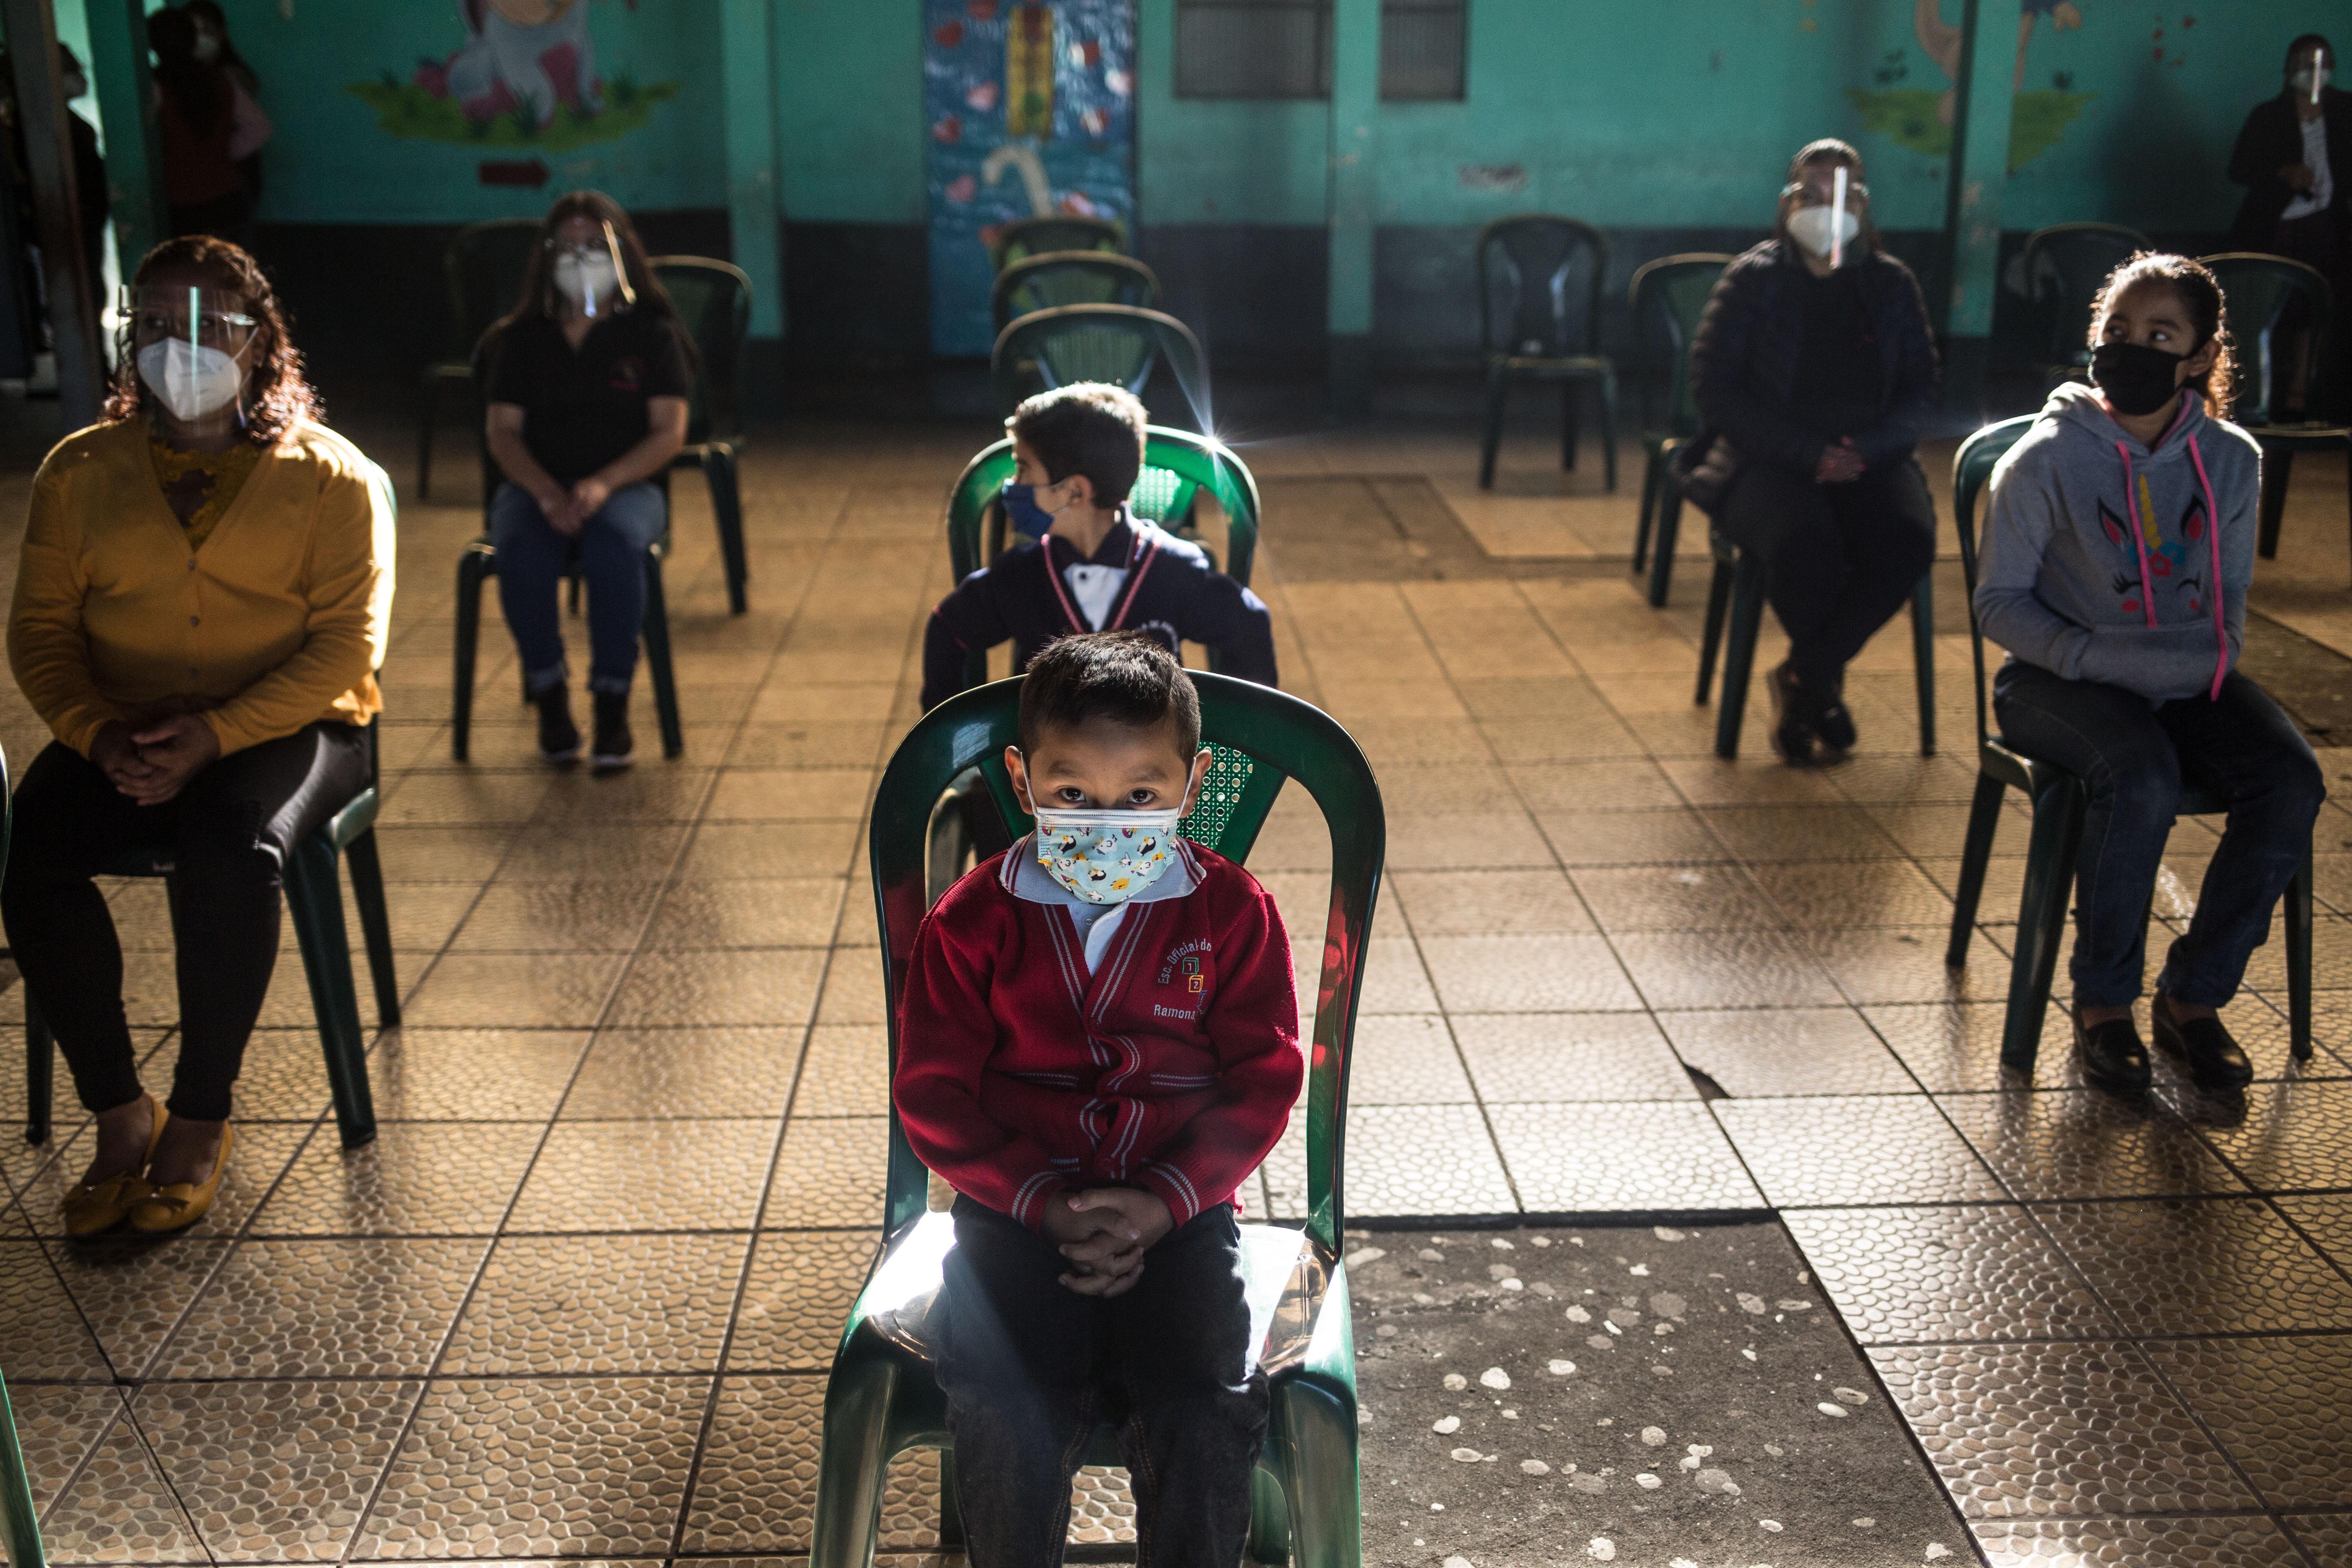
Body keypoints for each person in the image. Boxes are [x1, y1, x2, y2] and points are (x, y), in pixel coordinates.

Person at [3, 234, 395, 1234]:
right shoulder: (79, 472)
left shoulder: (332, 479)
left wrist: (216, 735)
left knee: (230, 842)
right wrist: (95, 735)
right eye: (154, 319)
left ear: (260, 342)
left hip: (294, 725)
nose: (179, 342)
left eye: (208, 322)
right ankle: (119, 1108)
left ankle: (200, 1114)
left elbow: (345, 647)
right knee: (29, 849)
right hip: (121, 727)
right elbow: (41, 634)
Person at [894, 631, 1303, 1568]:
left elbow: (1262, 1079)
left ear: (1190, 785)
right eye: (1072, 794)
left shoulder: (1231, 914)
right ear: (1020, 775)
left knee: (1203, 1401)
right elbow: (933, 1092)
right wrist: (1041, 1199)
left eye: (1141, 796)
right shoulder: (971, 922)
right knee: (1001, 1398)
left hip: (1183, 1216)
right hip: (1012, 1214)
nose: (1106, 821)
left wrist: (1164, 1199)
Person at [1975, 252, 2326, 1097]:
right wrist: (2095, 656)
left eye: (2160, 336)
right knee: (2142, 778)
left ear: (2201, 356)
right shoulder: (2044, 459)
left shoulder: (2232, 460)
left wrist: (2212, 655)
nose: (2132, 349)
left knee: (2290, 780)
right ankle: (2103, 1004)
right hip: (2054, 681)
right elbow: (1998, 606)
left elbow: (2231, 594)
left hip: (2183, 677)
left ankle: (2192, 999)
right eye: (2117, 333)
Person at [1685, 138, 1941, 764]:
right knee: (1807, 548)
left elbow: (1922, 388)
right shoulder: (1752, 280)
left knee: (1908, 537)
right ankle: (1819, 691)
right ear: (1787, 202)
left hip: (1870, 457)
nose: (1825, 207)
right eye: (1810, 194)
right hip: (1768, 459)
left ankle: (1804, 677)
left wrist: (1871, 448)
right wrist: (1808, 454)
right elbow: (1715, 389)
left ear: (1863, 204)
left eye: (1840, 194)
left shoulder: (1890, 284)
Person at [481, 189, 691, 772]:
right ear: (546, 258)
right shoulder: (521, 339)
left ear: (623, 253)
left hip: (627, 488)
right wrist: (547, 491)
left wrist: (602, 484)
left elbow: (668, 432)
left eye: (595, 246)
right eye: (568, 246)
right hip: (536, 488)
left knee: (616, 547)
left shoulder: (650, 334)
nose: (581, 258)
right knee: (522, 548)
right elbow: (503, 433)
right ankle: (548, 691)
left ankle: (611, 700)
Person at [920, 382, 1276, 715]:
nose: (1014, 485)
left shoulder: (1173, 569)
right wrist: (965, 746)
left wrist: (1233, 741)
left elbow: (1248, 625)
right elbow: (948, 627)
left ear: (1075, 491)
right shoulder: (1020, 576)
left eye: (1023, 468)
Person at [2227, 33, 2349, 418]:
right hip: (2274, 226)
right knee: (2269, 304)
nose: (2315, 72)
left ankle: (2301, 389)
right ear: (2289, 69)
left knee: (2318, 302)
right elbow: (2239, 169)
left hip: (2329, 223)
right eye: (2305, 64)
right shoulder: (2268, 115)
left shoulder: (2346, 111)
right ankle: (2256, 392)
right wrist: (2282, 173)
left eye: (2322, 63)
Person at [146, 7, 270, 243]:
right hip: (227, 197)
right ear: (193, 39)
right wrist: (219, 156)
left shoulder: (153, 87)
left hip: (180, 203)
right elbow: (260, 128)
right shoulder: (220, 80)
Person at [183, 1, 266, 205]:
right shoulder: (183, 78)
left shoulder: (231, 77)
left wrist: (217, 156)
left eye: (207, 30)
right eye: (194, 31)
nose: (201, 38)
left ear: (222, 33)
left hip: (235, 176)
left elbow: (256, 129)